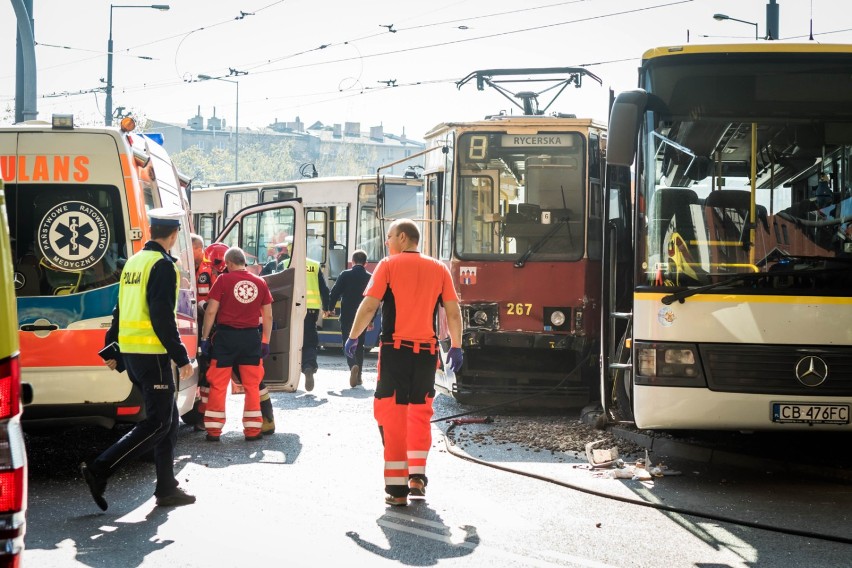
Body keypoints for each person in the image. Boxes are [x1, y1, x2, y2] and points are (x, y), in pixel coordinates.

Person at [80, 207, 196, 510]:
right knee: (158, 423)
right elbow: (161, 316)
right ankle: (99, 469)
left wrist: (112, 346)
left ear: (150, 231)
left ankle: (167, 487)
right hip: (152, 355)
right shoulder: (162, 265)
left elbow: (120, 308)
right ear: (173, 235)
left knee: (168, 421)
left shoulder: (134, 262)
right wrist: (182, 357)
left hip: (133, 354)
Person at [345, 219, 463, 507]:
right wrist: (457, 346)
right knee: (421, 413)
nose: (386, 242)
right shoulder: (439, 268)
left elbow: (370, 305)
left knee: (392, 414)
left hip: (395, 351)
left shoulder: (388, 264)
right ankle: (417, 477)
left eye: (389, 237)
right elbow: (453, 311)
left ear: (402, 237)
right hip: (426, 354)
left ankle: (397, 490)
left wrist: (354, 336)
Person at [199, 246, 273, 442]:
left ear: (230, 263)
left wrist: (205, 338)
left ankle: (213, 432)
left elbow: (211, 311)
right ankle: (252, 431)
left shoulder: (223, 280)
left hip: (225, 339)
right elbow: (268, 315)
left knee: (218, 384)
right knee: (252, 385)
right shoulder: (260, 282)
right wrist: (265, 341)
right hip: (250, 339)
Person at [326, 249, 371, 388]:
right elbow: (374, 299)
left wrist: (330, 308)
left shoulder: (345, 274)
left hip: (347, 316)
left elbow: (334, 292)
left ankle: (352, 366)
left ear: (352, 262)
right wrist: (371, 320)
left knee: (348, 342)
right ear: (366, 263)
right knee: (360, 345)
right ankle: (359, 376)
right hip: (363, 316)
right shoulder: (370, 276)